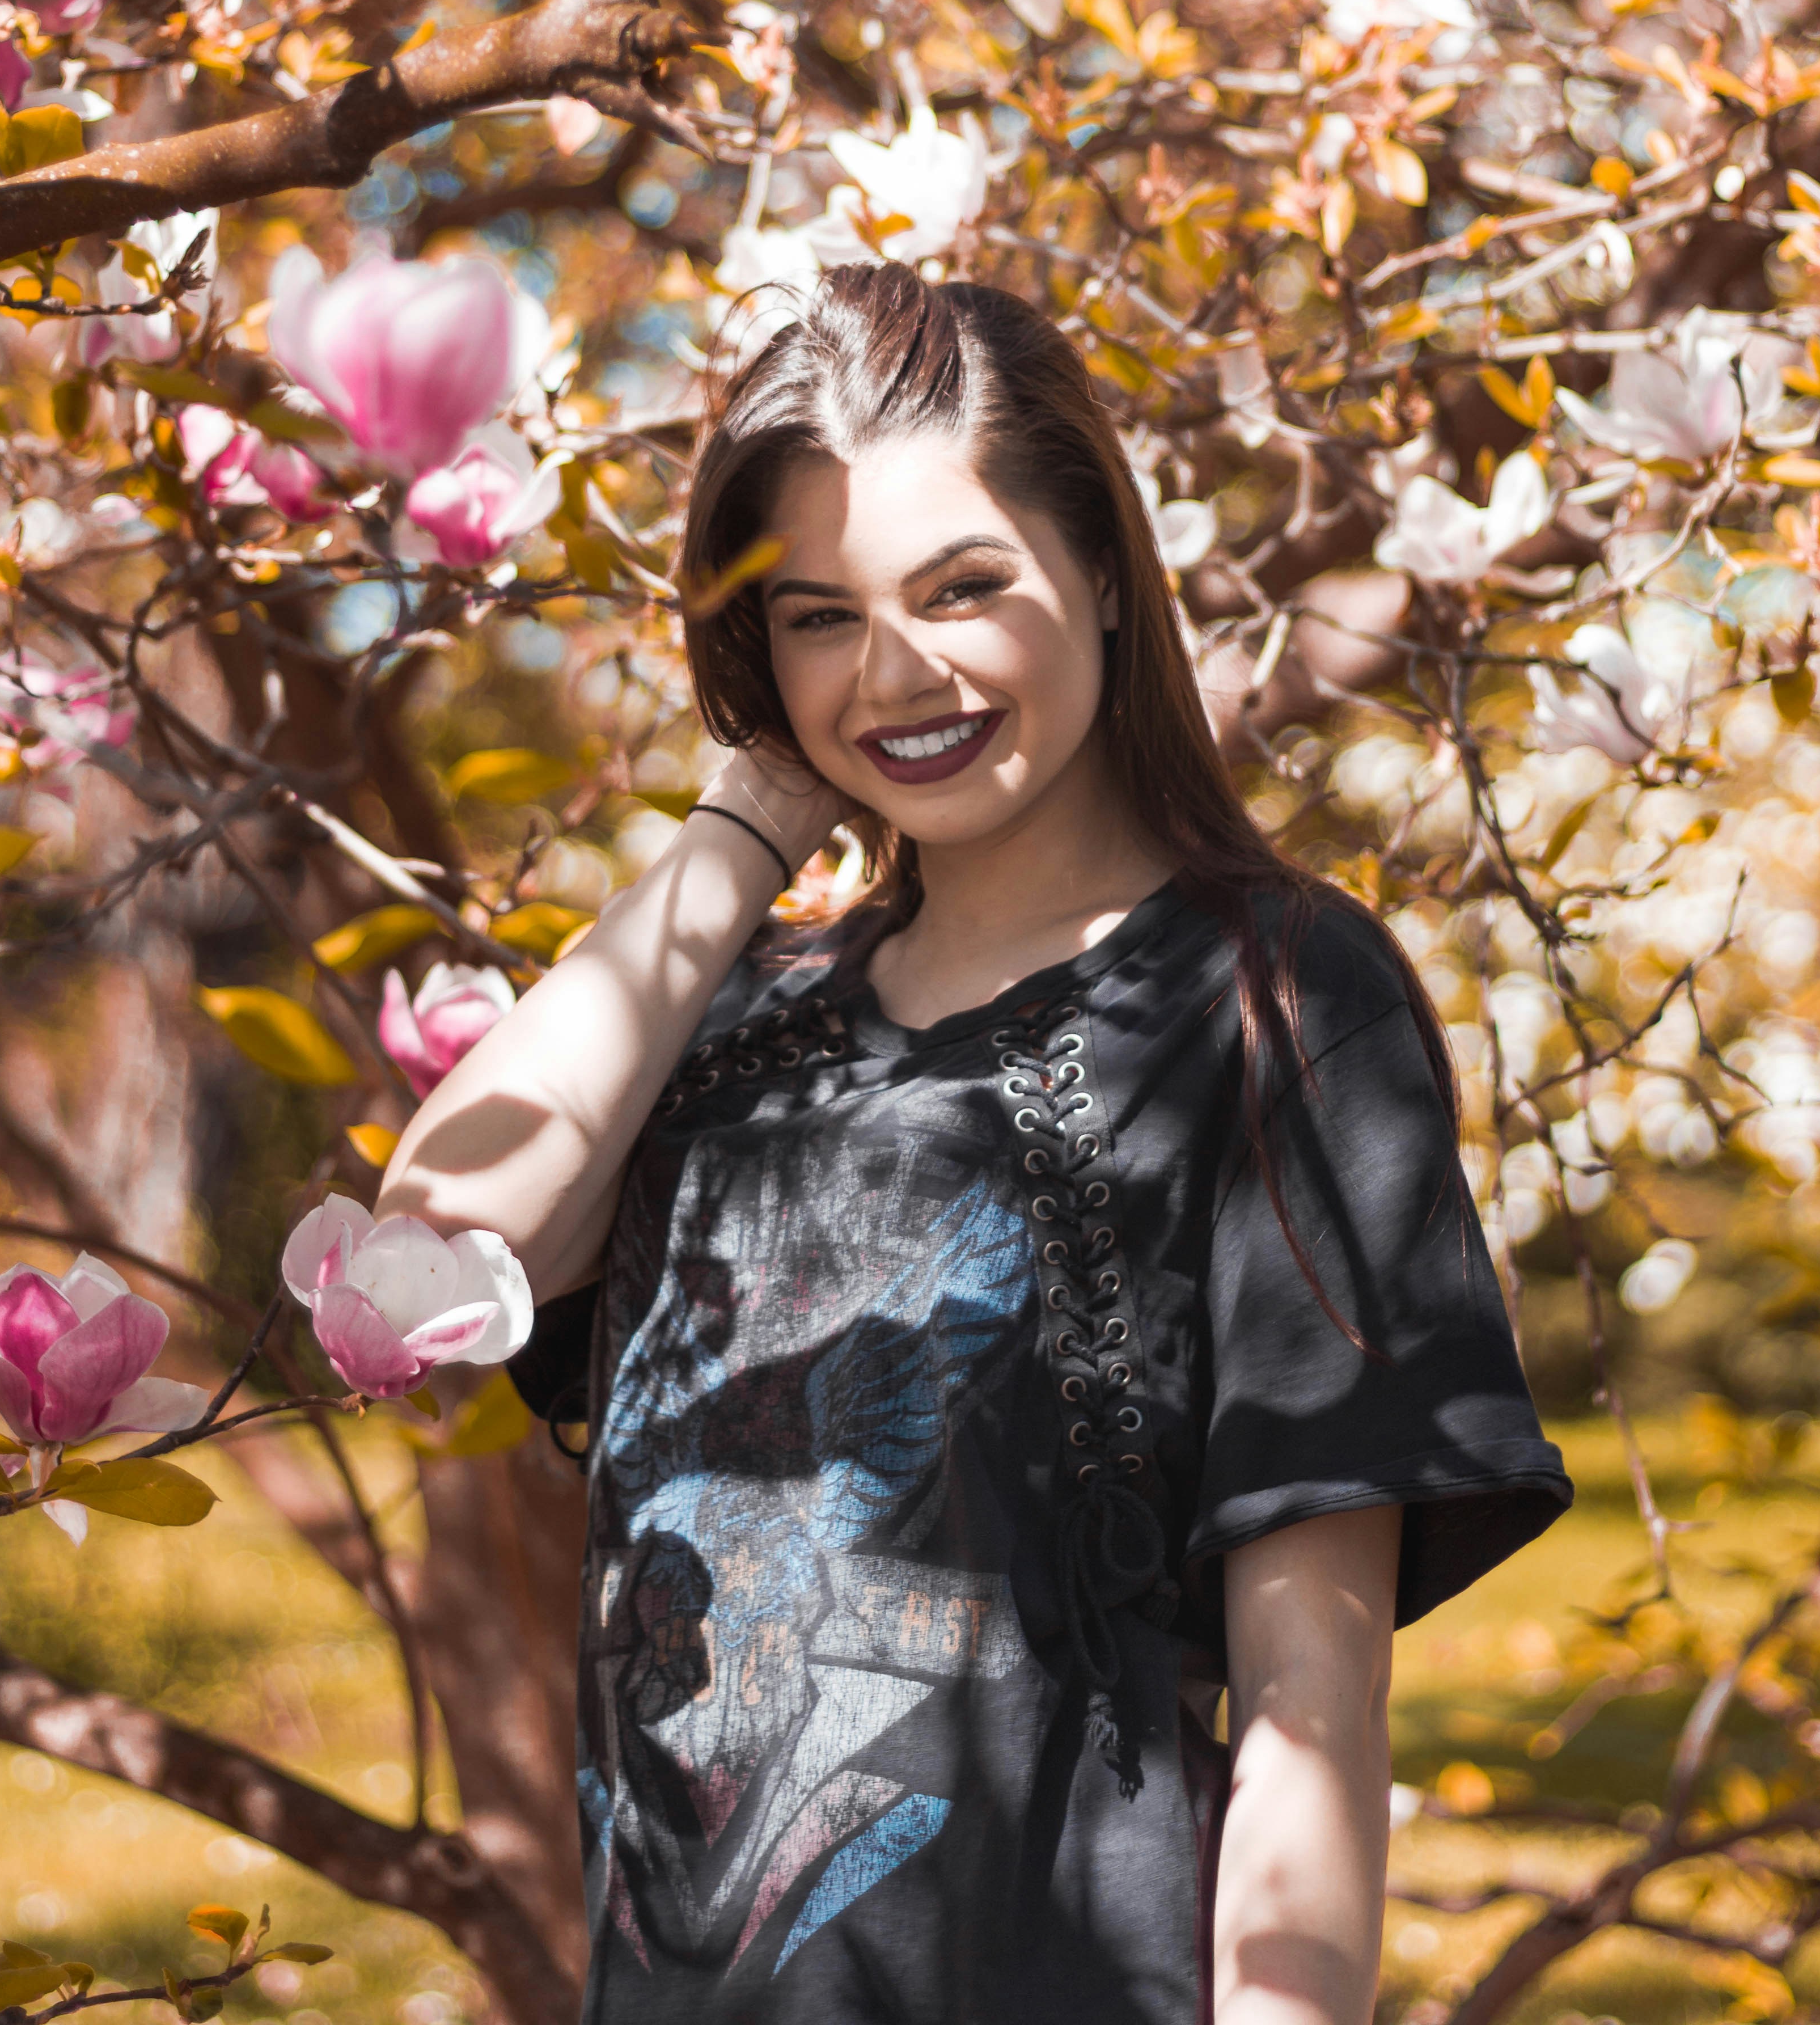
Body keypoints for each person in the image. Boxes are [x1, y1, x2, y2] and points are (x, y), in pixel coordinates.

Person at [378, 263, 1571, 2025]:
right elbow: (427, 1263)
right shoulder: (720, 1034)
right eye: (816, 617)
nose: (897, 673)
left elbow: (1313, 1694)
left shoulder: (1271, 999)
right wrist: (746, 822)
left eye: (964, 587)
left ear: (1100, 567)